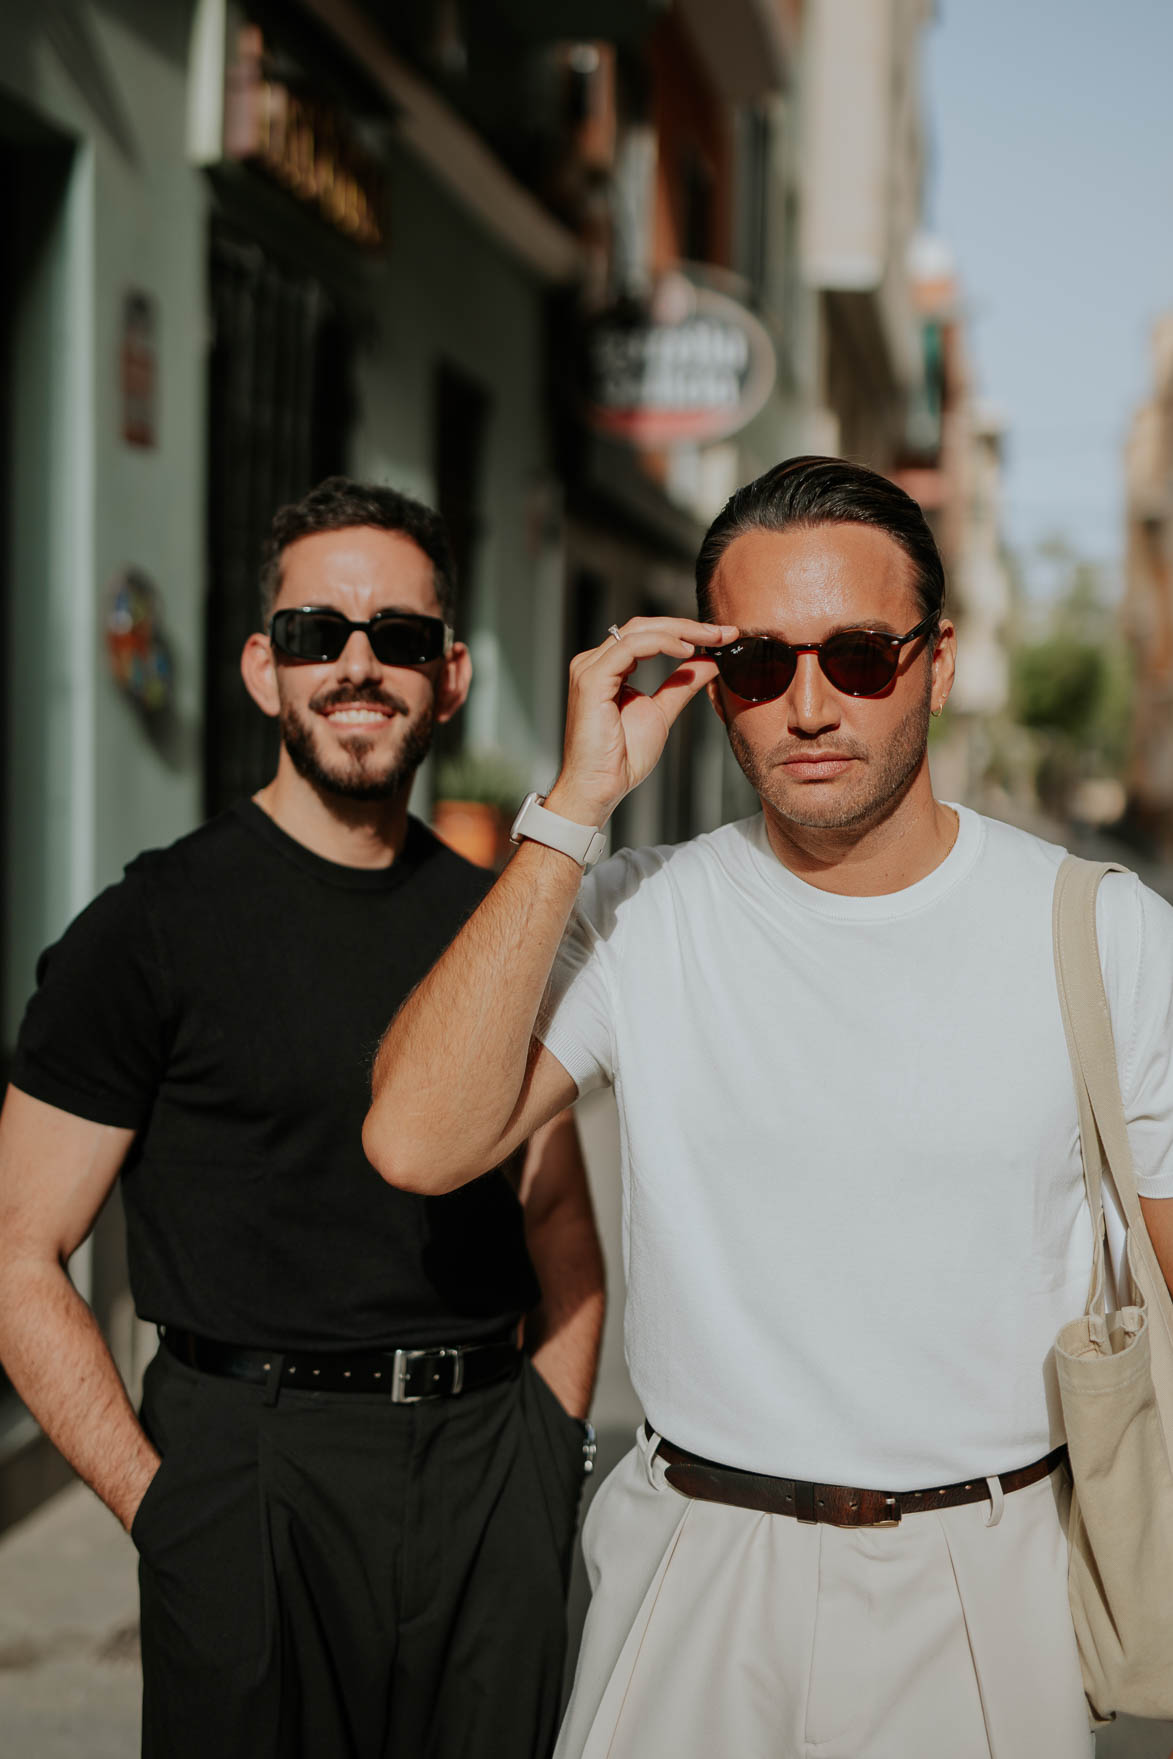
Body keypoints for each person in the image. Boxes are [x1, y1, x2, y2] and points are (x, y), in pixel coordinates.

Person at [364, 455, 1173, 1759]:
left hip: (987, 1583)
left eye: (858, 655)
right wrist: (570, 805)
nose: (807, 704)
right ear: (707, 682)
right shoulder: (635, 908)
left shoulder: (1102, 933)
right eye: (757, 663)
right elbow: (416, 1138)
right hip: (693, 1566)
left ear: (936, 658)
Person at [0, 477, 605, 1759]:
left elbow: (559, 1218)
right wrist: (165, 1508)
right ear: (260, 667)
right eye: (317, 632)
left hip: (487, 1469)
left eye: (396, 636)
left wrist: (544, 1467)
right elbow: (15, 1254)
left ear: (448, 677)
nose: (356, 664)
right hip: (246, 1475)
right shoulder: (150, 929)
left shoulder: (506, 928)